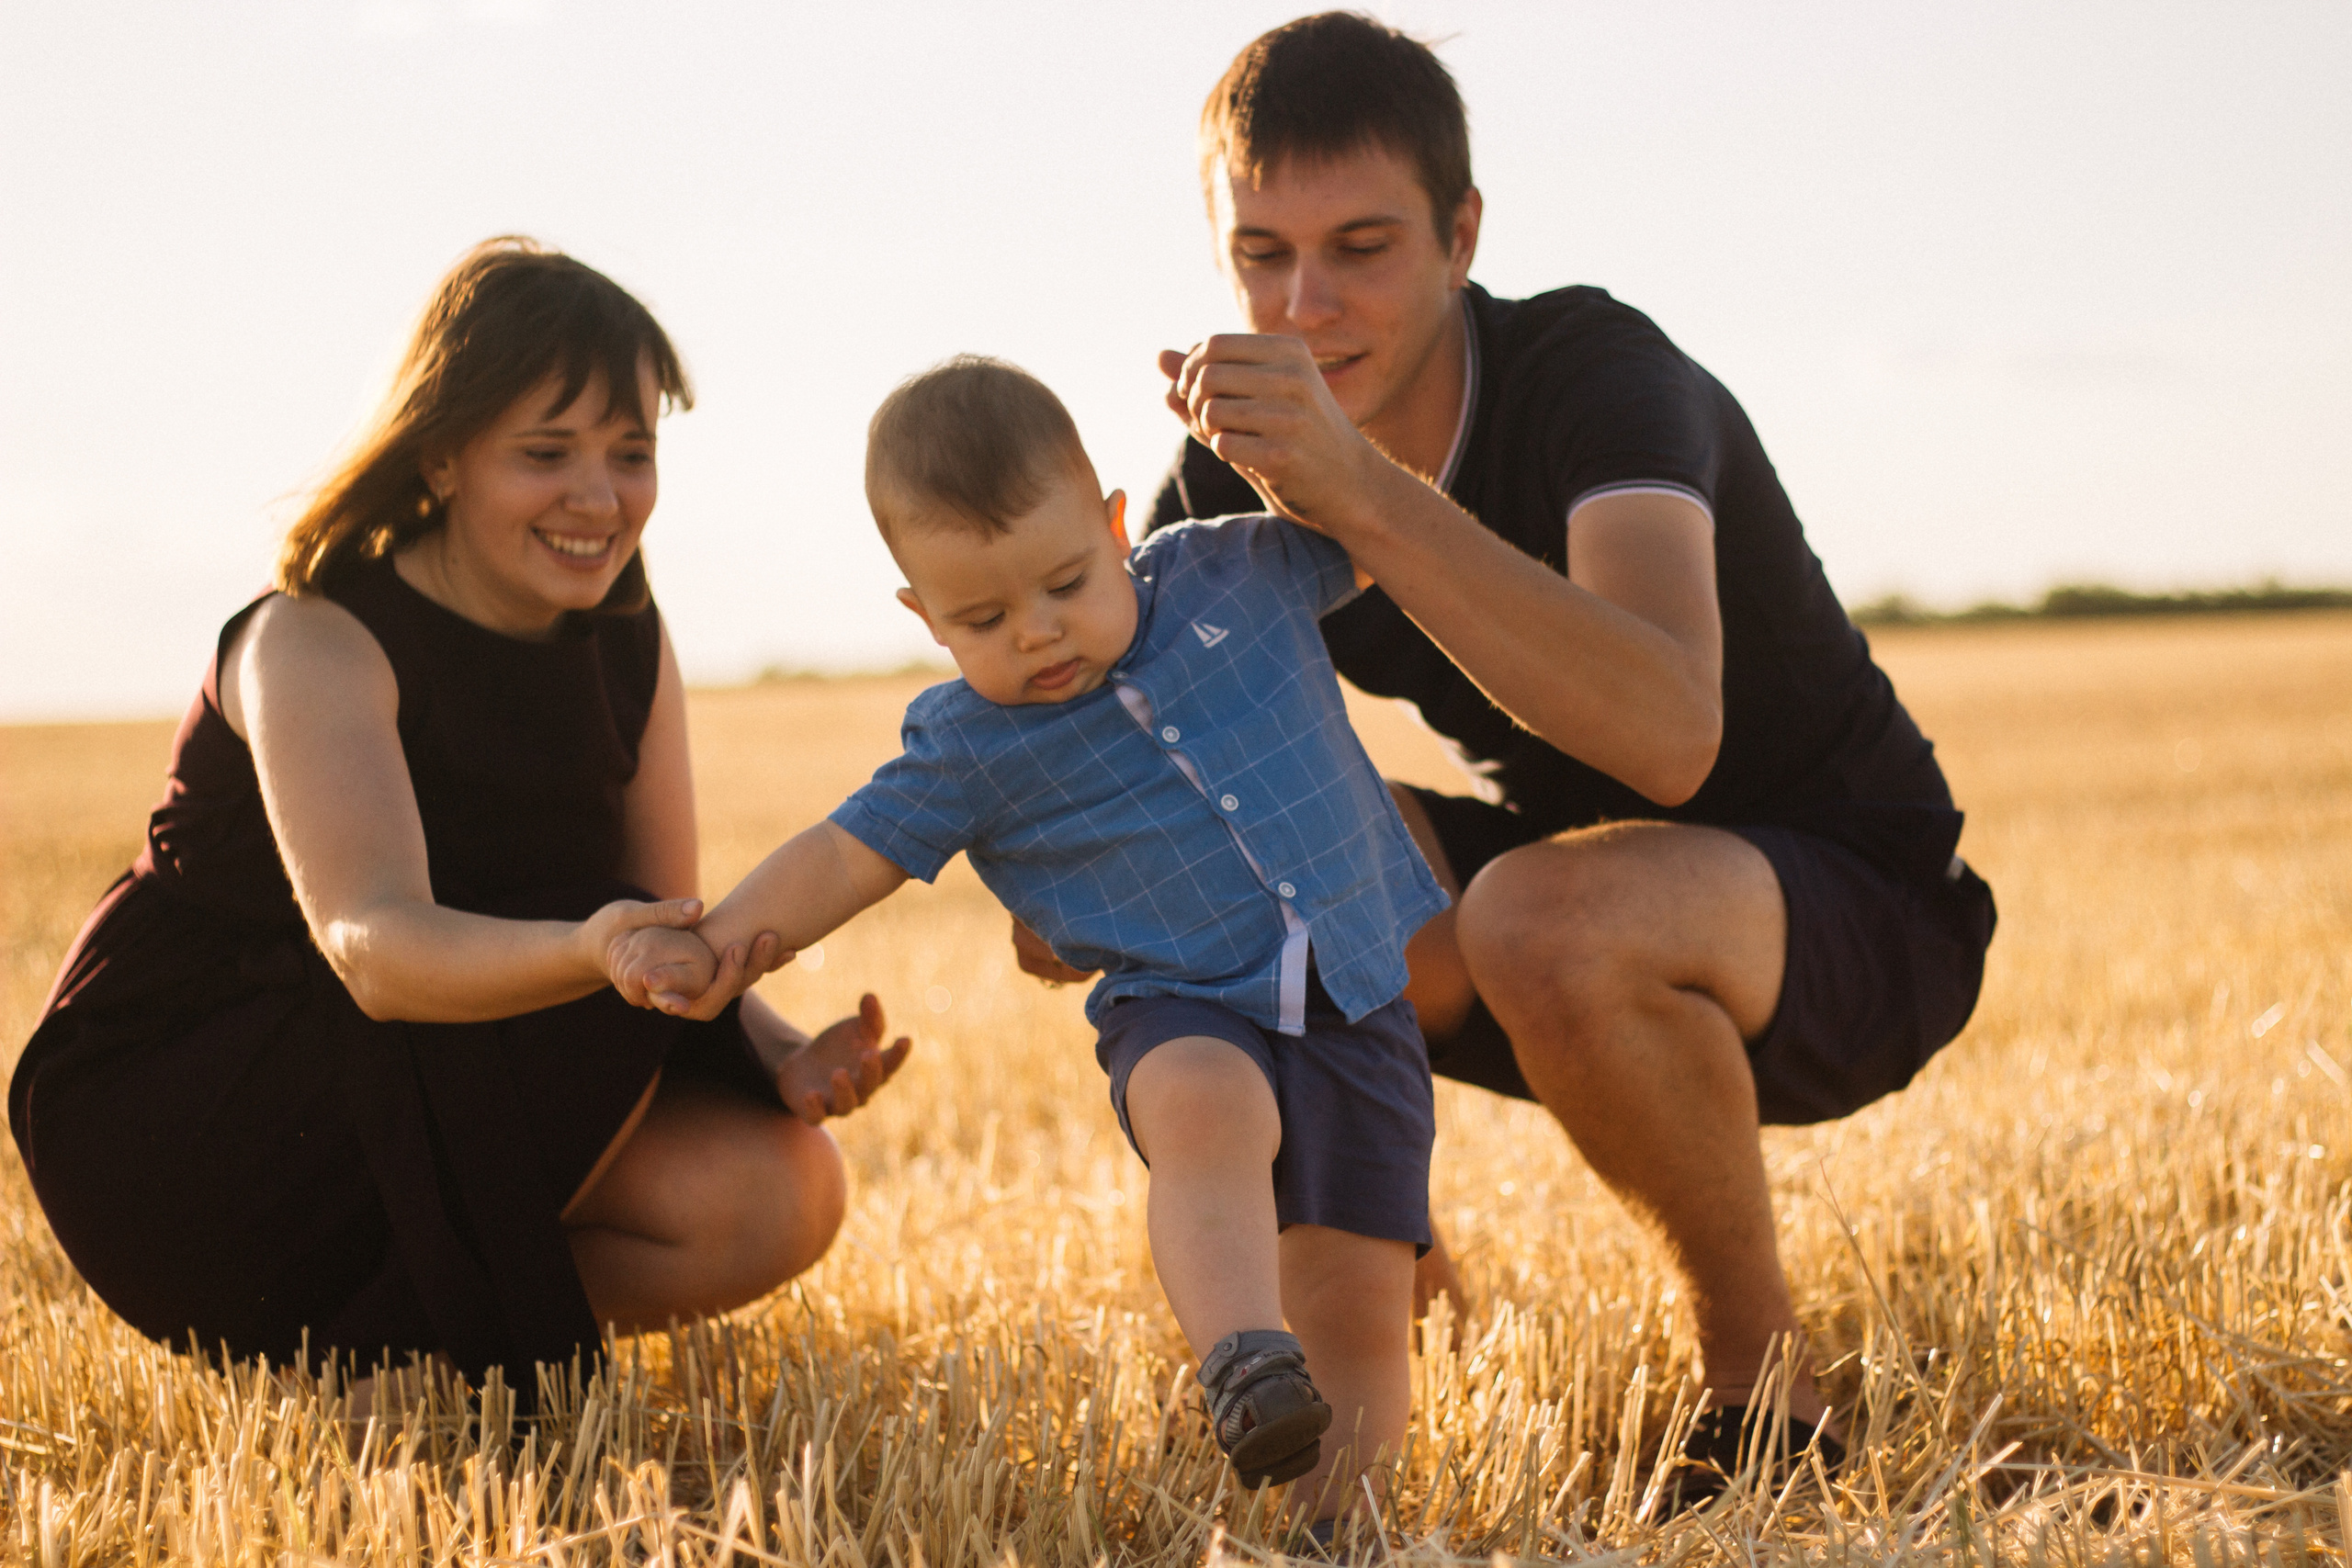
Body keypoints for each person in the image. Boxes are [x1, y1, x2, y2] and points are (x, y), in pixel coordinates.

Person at [1017, 12, 1999, 1495]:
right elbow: (1128, 753)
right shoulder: (1233, 458)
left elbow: (1673, 736)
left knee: (1539, 911)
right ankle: (1401, 1316)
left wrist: (1365, 497)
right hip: (1564, 904)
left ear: (1463, 230)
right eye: (1261, 255)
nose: (1306, 304)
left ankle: (1767, 1395)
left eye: (1362, 247)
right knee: (1237, 885)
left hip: (1852, 907)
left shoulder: (1593, 371)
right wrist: (1071, 879)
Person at [10, 239, 909, 1396]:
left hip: (460, 1063)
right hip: (208, 1103)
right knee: (581, 1000)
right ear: (440, 456)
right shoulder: (316, 637)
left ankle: (416, 1351)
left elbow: (659, 940)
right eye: (547, 454)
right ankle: (400, 1323)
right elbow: (374, 948)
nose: (601, 497)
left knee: (788, 1193)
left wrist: (781, 1053)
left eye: (631, 454)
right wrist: (594, 951)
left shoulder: (627, 632)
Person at [616, 355, 1447, 1527]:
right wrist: (725, 941)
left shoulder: (1234, 569)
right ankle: (1244, 1360)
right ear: (921, 614)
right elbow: (844, 854)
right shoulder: (967, 746)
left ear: (1116, 525)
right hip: (1183, 1003)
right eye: (983, 618)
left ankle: (1338, 1527)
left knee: (1362, 1297)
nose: (1038, 633)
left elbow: (1389, 532)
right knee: (1208, 1113)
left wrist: (1326, 453)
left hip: (1357, 996)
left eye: (1063, 582)